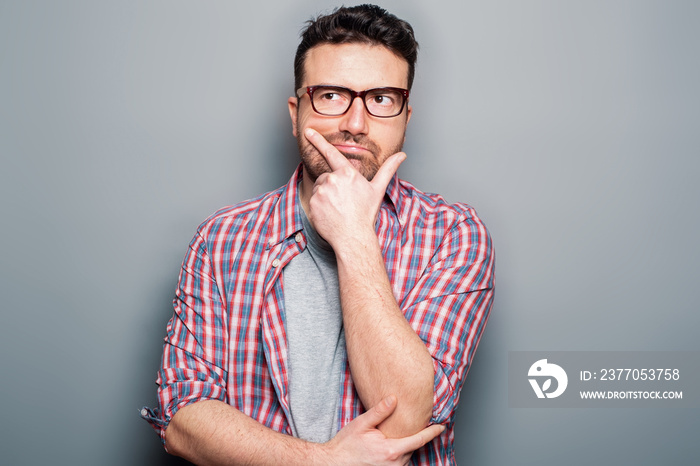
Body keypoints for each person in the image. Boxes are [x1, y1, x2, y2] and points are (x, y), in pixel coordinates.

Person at [142, 4, 494, 465]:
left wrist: (352, 236)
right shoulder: (221, 240)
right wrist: (321, 462)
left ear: (407, 116)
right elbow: (183, 418)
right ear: (296, 112)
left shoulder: (454, 234)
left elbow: (409, 419)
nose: (354, 123)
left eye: (382, 99)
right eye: (331, 96)